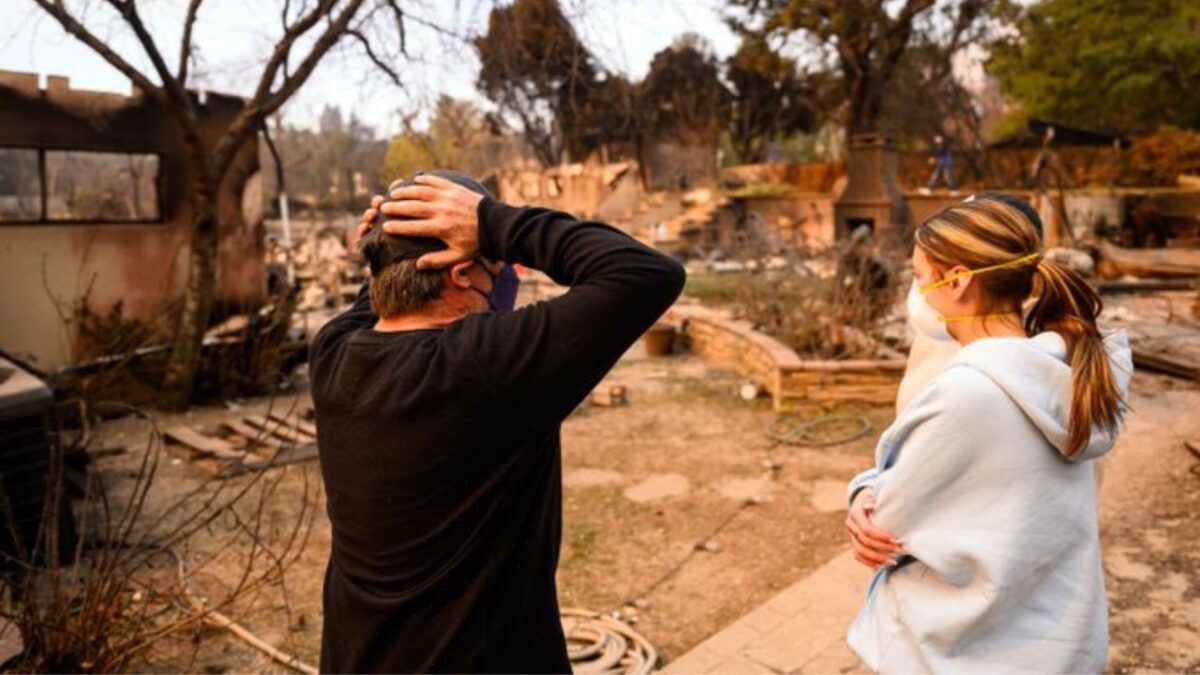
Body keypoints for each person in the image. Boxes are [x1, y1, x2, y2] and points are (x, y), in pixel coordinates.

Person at [309, 170, 685, 673]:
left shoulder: (334, 354)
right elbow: (646, 274)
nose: (505, 276)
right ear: (462, 274)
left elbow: (383, 294)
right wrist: (493, 222)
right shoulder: (483, 368)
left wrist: (390, 236)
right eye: (495, 265)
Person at [842, 197, 1132, 672]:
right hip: (1058, 641)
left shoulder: (966, 394)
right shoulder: (1071, 370)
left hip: (967, 653)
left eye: (918, 277)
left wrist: (863, 491)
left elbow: (890, 522)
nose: (916, 293)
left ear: (956, 281)